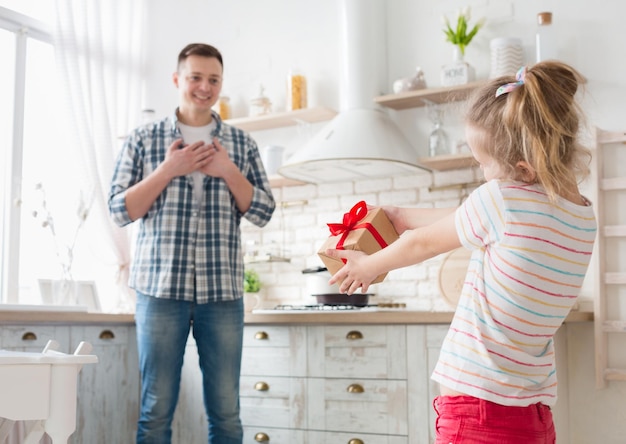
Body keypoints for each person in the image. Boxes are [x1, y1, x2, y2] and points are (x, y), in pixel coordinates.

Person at [327, 61, 597, 443]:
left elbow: (425, 242)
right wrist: (401, 215)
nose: (484, 174)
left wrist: (368, 265)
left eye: (484, 164)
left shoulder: (500, 199)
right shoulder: (581, 215)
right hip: (532, 417)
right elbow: (475, 220)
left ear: (523, 169)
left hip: (477, 412)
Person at [109, 43, 275, 444]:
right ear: (177, 79)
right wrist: (168, 170)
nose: (204, 87)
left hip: (221, 294)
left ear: (221, 84)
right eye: (195, 77)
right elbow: (119, 210)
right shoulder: (142, 140)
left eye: (213, 79)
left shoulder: (241, 144)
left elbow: (264, 211)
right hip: (159, 291)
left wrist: (229, 172)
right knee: (156, 410)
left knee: (226, 413)